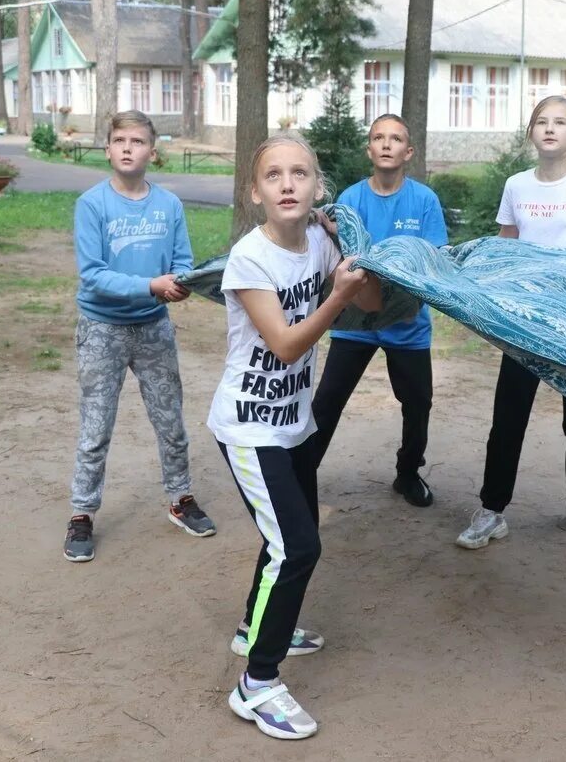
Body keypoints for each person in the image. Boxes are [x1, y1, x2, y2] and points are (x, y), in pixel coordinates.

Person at [207, 133, 381, 741]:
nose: (287, 183)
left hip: (293, 422)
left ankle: (252, 628)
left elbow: (376, 300)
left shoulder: (322, 240)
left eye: (300, 173)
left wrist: (352, 250)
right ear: (255, 193)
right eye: (274, 175)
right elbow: (284, 345)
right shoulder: (250, 259)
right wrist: (337, 296)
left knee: (283, 539)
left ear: (317, 188)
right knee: (298, 547)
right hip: (249, 428)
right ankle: (256, 683)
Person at [457, 95, 566, 550]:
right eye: (542, 122)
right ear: (532, 132)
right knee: (508, 419)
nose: (550, 129)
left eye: (561, 122)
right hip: (525, 323)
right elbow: (504, 248)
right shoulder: (516, 186)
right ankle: (492, 511)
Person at [63, 110, 215, 564]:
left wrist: (184, 285)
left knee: (171, 421)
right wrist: (151, 286)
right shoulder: (92, 204)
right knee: (96, 427)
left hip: (154, 328)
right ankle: (82, 514)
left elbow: (182, 261)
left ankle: (180, 497)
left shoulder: (168, 205)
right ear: (108, 149)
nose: (128, 148)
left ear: (153, 151)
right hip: (102, 329)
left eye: (138, 141)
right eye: (120, 140)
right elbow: (92, 276)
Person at [306, 114, 448, 507]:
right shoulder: (351, 198)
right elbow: (337, 258)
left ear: (409, 151)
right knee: (328, 401)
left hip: (407, 324)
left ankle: (407, 474)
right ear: (369, 149)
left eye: (396, 138)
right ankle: (302, 475)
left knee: (418, 403)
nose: (387, 144)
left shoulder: (424, 200)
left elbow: (433, 259)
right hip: (355, 323)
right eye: (378, 138)